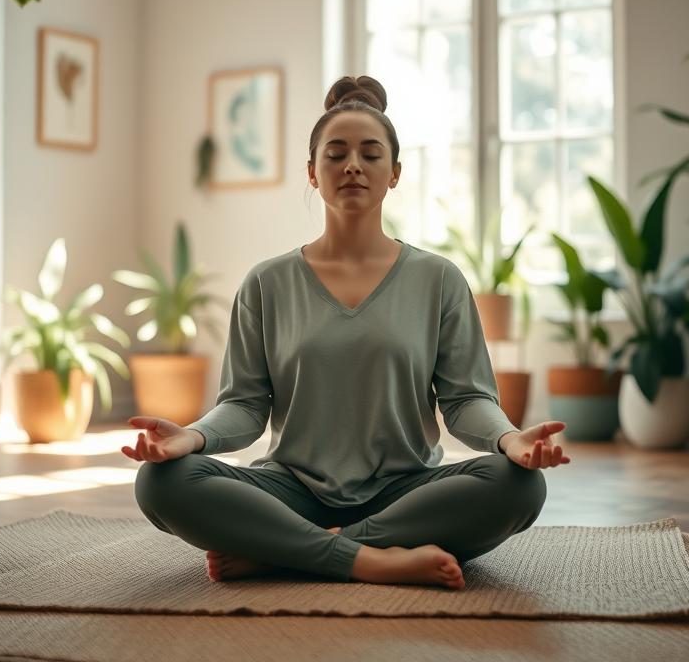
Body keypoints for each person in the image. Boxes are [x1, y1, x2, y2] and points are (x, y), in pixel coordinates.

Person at [126, 75, 570, 591]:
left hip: (406, 491)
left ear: (395, 173)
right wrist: (194, 435)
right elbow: (245, 405)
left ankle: (288, 551)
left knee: (518, 487)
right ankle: (372, 559)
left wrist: (509, 439)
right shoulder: (267, 283)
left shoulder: (438, 279)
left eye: (370, 154)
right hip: (290, 489)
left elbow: (466, 398)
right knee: (162, 481)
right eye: (335, 155)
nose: (353, 165)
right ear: (312, 173)